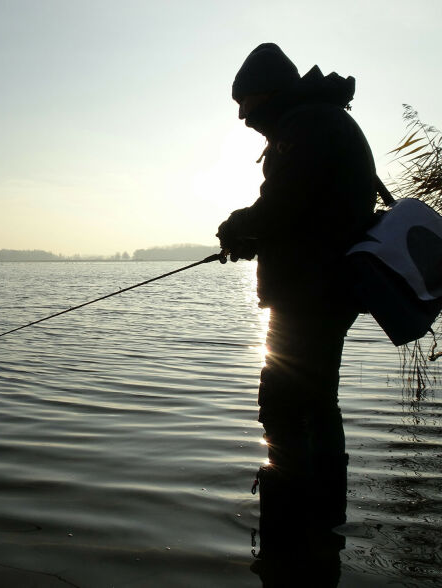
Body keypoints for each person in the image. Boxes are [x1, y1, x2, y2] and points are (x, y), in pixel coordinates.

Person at [216, 43, 377, 554]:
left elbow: (285, 205)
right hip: (319, 289)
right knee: (313, 406)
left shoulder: (307, 125)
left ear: (270, 92)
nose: (243, 116)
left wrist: (238, 227)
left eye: (247, 102)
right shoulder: (318, 119)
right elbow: (308, 211)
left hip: (312, 293)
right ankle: (320, 524)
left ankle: (298, 526)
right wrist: (254, 237)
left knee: (289, 407)